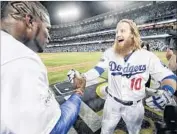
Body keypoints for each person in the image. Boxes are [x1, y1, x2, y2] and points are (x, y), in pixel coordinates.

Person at [68, 19, 177, 134]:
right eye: (116, 32)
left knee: (134, 131)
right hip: (112, 103)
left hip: (135, 107)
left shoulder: (147, 56)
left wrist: (167, 91)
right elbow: (97, 70)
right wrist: (83, 76)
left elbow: (169, 77)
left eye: (122, 31)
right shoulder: (110, 53)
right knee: (106, 130)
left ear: (132, 34)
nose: (118, 34)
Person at [1, 2, 85, 134]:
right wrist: (78, 91)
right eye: (48, 29)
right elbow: (53, 130)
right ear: (30, 21)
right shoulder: (21, 59)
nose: (49, 37)